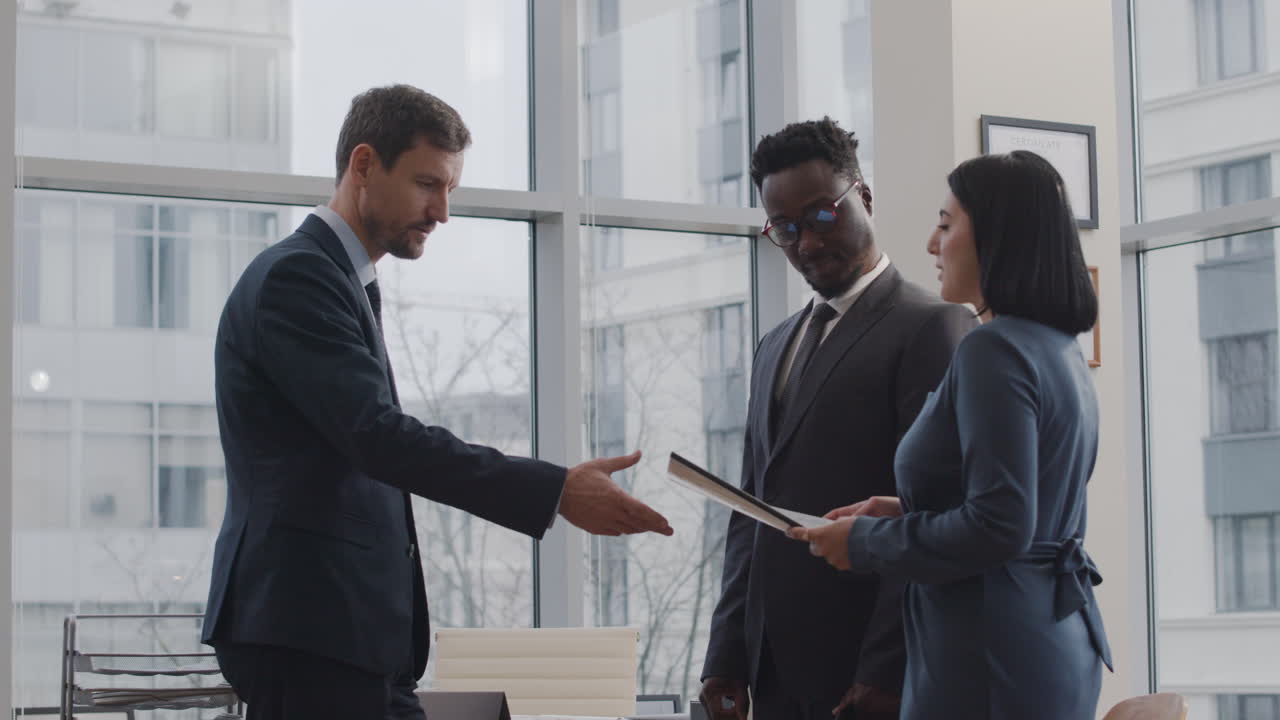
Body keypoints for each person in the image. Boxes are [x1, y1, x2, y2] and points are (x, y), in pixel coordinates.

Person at [201, 85, 673, 720]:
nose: (442, 212)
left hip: (341, 636)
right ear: (363, 165)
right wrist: (553, 489)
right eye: (428, 184)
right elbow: (377, 436)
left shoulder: (337, 279)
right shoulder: (299, 278)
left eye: (450, 188)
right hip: (310, 628)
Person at [792, 150, 1114, 719]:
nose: (931, 245)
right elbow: (1018, 503)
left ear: (997, 234)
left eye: (945, 224)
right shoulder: (1056, 346)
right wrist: (902, 510)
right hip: (1047, 635)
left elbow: (999, 526)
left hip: (989, 652)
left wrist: (866, 544)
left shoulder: (994, 349)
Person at [699, 118, 976, 720]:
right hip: (771, 670)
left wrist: (886, 668)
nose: (808, 243)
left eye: (823, 216)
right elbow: (752, 510)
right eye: (787, 229)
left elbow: (928, 510)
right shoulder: (775, 343)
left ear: (864, 198)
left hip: (863, 673)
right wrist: (727, 653)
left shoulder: (933, 327)